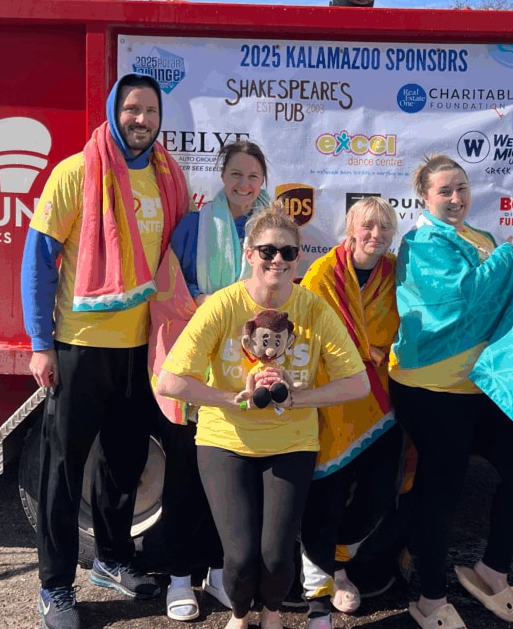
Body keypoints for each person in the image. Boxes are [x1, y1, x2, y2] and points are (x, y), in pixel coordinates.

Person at [21, 73, 189, 629]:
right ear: (116, 111)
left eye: (150, 111)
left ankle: (113, 561)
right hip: (80, 347)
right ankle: (55, 586)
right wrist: (40, 345)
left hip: (144, 349)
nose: (141, 120)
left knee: (125, 462)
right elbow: (38, 263)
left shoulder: (170, 178)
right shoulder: (76, 173)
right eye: (132, 109)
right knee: (64, 472)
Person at [155, 204, 371, 629]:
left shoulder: (313, 308)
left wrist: (298, 398)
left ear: (297, 259)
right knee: (238, 558)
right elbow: (170, 381)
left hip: (291, 441)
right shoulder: (222, 305)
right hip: (225, 440)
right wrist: (231, 398)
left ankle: (271, 615)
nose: (278, 260)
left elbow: (357, 384)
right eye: (268, 250)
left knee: (275, 555)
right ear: (249, 253)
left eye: (288, 253)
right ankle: (239, 614)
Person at [389, 154, 513, 629]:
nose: (455, 199)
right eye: (444, 192)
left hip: (482, 387)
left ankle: (491, 570)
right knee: (442, 489)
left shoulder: (484, 238)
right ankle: (431, 599)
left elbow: (509, 302)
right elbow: (463, 299)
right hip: (431, 388)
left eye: (461, 188)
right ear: (425, 198)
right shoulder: (420, 242)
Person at [158, 140, 272, 621]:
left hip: (249, 376)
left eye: (254, 177)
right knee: (186, 477)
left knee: (234, 483)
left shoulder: (274, 230)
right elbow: (167, 295)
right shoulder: (193, 227)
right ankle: (179, 578)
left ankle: (222, 574)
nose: (245, 185)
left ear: (264, 181)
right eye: (237, 175)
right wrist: (213, 309)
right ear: (221, 177)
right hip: (201, 374)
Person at [298, 196, 404, 629]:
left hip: (383, 401)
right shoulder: (324, 272)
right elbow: (312, 329)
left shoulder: (397, 271)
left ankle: (340, 556)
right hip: (334, 397)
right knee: (325, 494)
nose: (375, 235)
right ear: (350, 229)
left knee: (380, 493)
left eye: (383, 228)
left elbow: (411, 319)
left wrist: (381, 350)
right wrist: (366, 349)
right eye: (367, 226)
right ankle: (323, 583)